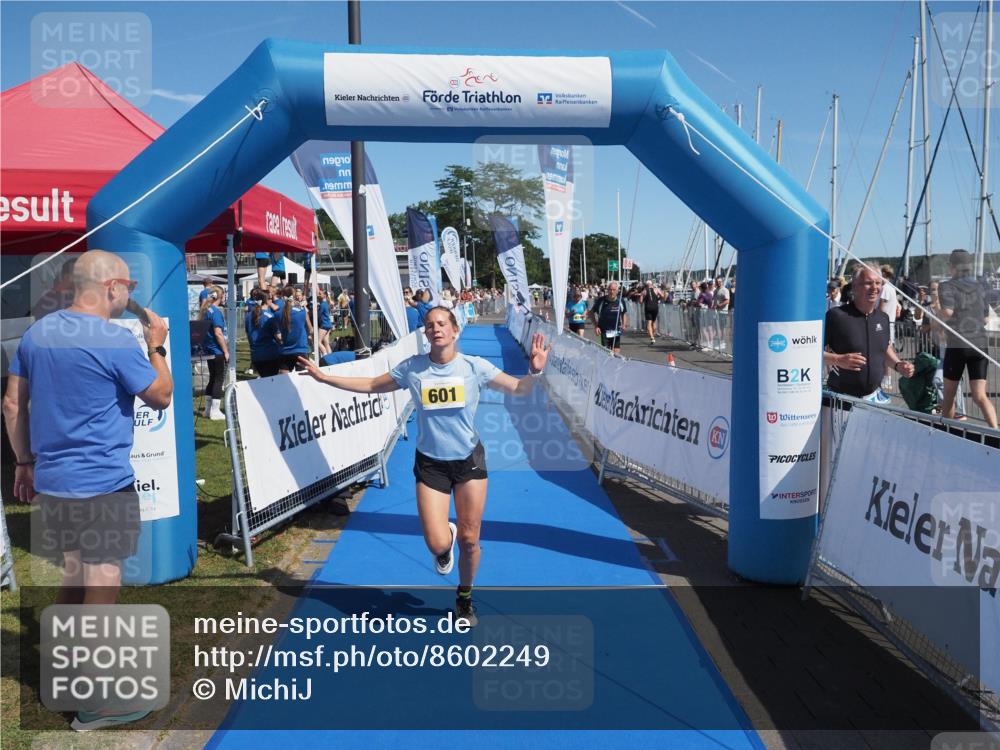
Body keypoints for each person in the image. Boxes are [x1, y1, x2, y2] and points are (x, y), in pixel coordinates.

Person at [2, 249, 172, 730]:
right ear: (112, 286)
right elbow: (160, 395)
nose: (129, 296)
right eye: (129, 288)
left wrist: (24, 463)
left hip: (54, 482)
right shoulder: (115, 341)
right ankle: (94, 701)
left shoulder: (38, 333)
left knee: (75, 579)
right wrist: (155, 344)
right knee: (101, 584)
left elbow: (13, 405)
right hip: (102, 483)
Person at [297, 307, 550, 626]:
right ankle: (447, 540)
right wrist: (324, 377)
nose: (436, 329)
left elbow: (520, 390)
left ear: (455, 330)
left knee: (470, 541)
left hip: (469, 461)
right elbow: (373, 384)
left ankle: (465, 596)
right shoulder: (414, 369)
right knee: (439, 543)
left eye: (442, 323)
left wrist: (535, 372)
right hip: (431, 465)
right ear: (425, 334)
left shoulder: (475, 367)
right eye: (430, 325)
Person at [823, 265, 914, 399]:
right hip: (841, 398)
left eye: (878, 283)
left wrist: (898, 365)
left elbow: (885, 348)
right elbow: (811, 351)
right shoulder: (836, 316)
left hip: (874, 397)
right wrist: (838, 360)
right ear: (854, 287)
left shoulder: (883, 318)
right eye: (868, 283)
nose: (874, 287)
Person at [936, 249, 998, 428]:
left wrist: (937, 313)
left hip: (957, 345)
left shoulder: (946, 286)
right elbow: (986, 318)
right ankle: (995, 431)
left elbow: (947, 313)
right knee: (980, 396)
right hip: (979, 344)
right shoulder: (980, 286)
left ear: (952, 267)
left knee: (949, 395)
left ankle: (947, 432)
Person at [198, 285, 229, 419]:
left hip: (208, 349)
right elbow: (218, 333)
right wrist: (225, 351)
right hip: (216, 349)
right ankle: (215, 411)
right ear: (220, 296)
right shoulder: (215, 311)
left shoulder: (205, 310)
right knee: (218, 379)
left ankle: (208, 410)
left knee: (212, 378)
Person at [245, 288, 282, 377]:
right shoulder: (269, 316)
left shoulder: (249, 316)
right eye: (270, 299)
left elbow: (248, 334)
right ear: (267, 300)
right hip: (270, 354)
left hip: (256, 355)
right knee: (271, 383)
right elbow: (279, 337)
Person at [276, 286, 312, 372]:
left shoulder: (278, 314)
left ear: (282, 297)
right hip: (301, 349)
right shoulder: (302, 311)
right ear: (295, 296)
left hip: (286, 351)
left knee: (283, 383)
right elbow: (310, 328)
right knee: (303, 382)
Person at [590, 281, 627, 354]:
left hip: (616, 330)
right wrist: (596, 326)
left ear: (617, 291)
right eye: (610, 289)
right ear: (607, 290)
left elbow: (624, 313)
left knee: (616, 354)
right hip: (604, 331)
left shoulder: (620, 301)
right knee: (606, 353)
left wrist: (624, 325)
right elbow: (591, 313)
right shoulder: (601, 300)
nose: (612, 292)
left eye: (614, 290)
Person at [641, 280, 662, 344]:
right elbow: (662, 296)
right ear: (652, 285)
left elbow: (640, 301)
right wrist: (658, 298)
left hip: (648, 308)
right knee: (654, 321)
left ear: (646, 285)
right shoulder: (656, 290)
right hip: (655, 307)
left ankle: (652, 338)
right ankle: (653, 334)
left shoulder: (644, 291)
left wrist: (645, 299)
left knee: (649, 323)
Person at [317, 288, 333, 356]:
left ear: (324, 296)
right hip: (328, 325)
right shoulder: (326, 304)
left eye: (320, 294)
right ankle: (331, 356)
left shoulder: (322, 305)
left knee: (317, 342)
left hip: (324, 325)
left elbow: (318, 315)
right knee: (326, 342)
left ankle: (325, 354)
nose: (318, 295)